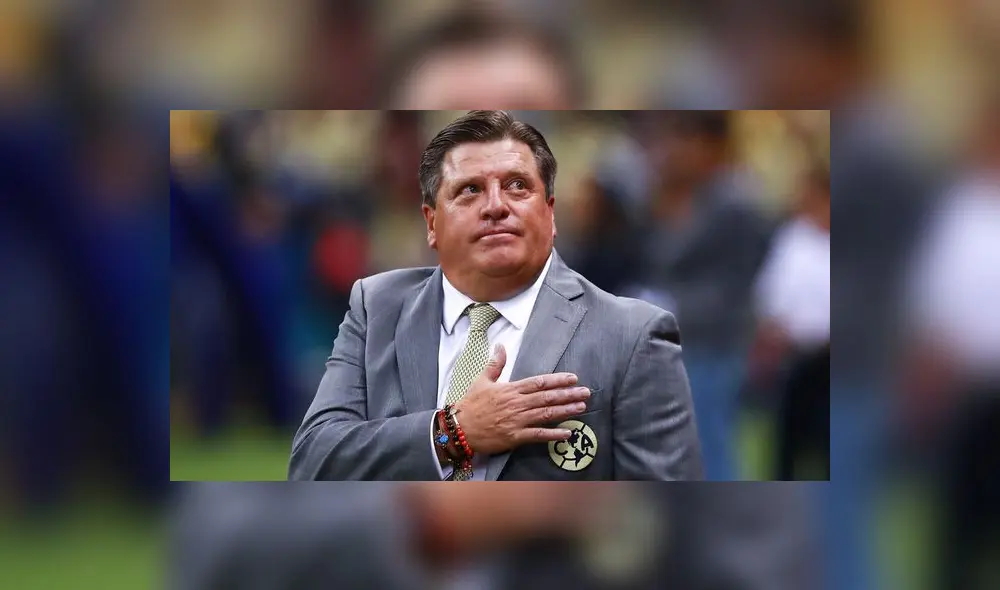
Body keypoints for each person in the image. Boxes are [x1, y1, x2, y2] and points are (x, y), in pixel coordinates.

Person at [289, 110, 703, 481]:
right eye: (469, 190)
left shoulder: (631, 335)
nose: (495, 206)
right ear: (431, 223)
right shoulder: (376, 306)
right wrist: (452, 433)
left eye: (517, 186)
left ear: (551, 212)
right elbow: (313, 464)